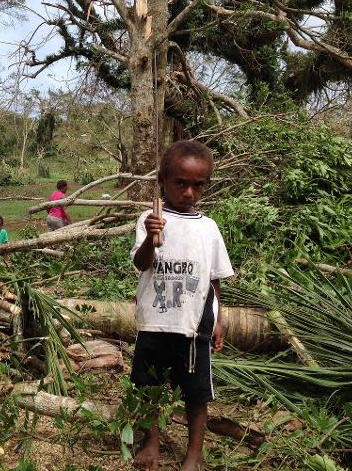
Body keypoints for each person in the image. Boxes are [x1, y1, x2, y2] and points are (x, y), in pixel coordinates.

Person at [130, 140, 234, 471]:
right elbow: (142, 264)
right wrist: (150, 236)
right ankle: (151, 441)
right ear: (163, 179)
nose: (188, 192)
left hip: (193, 325)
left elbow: (213, 279)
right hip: (155, 322)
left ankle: (195, 452)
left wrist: (219, 320)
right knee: (149, 388)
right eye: (180, 183)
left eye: (197, 185)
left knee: (196, 392)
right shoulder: (151, 218)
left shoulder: (209, 228)